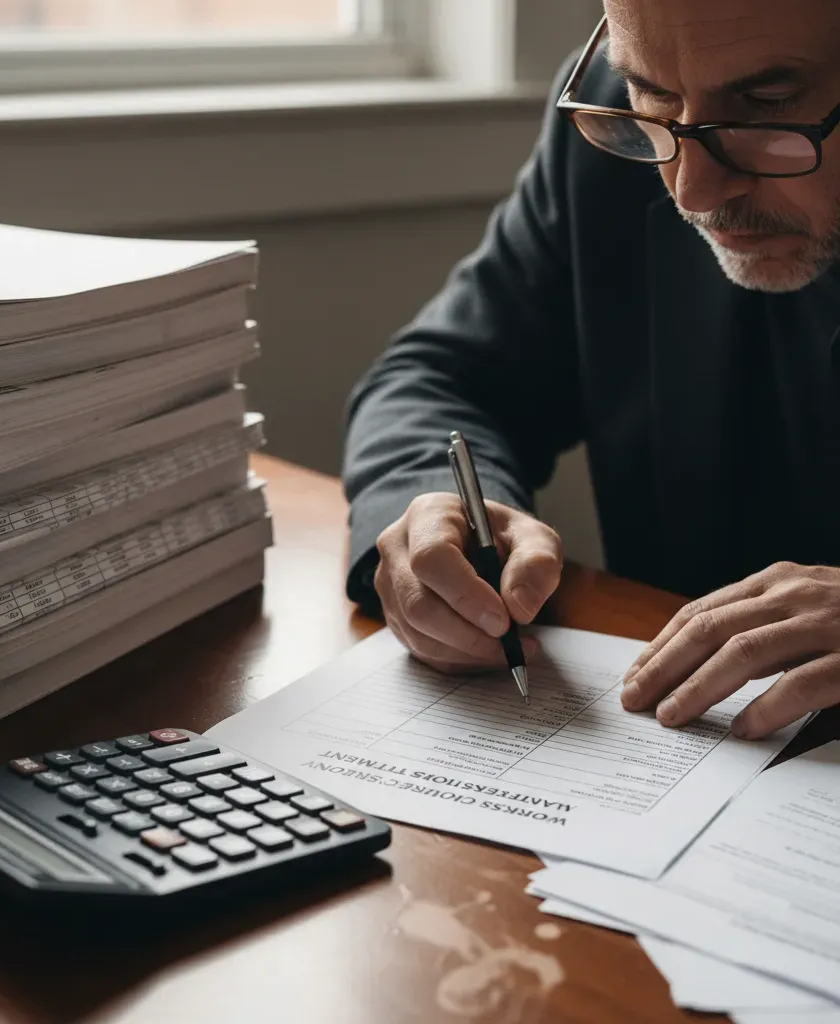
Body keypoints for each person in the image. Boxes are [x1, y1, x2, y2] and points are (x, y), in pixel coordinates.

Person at [341, 0, 840, 741]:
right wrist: (436, 513)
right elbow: (441, 378)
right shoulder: (610, 129)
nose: (692, 192)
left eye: (764, 106)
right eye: (656, 95)